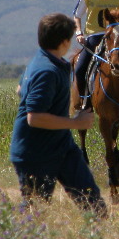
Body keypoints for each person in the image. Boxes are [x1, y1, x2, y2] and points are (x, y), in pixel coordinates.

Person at [10, 12, 107, 216]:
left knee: (93, 204)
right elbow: (34, 117)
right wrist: (76, 123)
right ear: (64, 42)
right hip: (35, 153)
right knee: (35, 213)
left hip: (62, 146)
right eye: (70, 40)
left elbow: (20, 89)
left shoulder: (43, 61)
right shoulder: (46, 71)